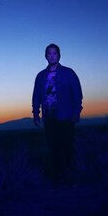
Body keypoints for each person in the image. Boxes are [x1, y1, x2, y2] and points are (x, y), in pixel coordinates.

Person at [32, 43, 83, 183]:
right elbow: (36, 95)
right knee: (53, 146)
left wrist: (77, 111)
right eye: (49, 53)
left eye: (55, 53)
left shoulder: (68, 72)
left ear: (59, 56)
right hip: (49, 117)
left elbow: (77, 93)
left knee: (67, 145)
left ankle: (71, 175)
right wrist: (36, 114)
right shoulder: (41, 76)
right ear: (45, 56)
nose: (52, 55)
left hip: (66, 115)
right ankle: (57, 176)